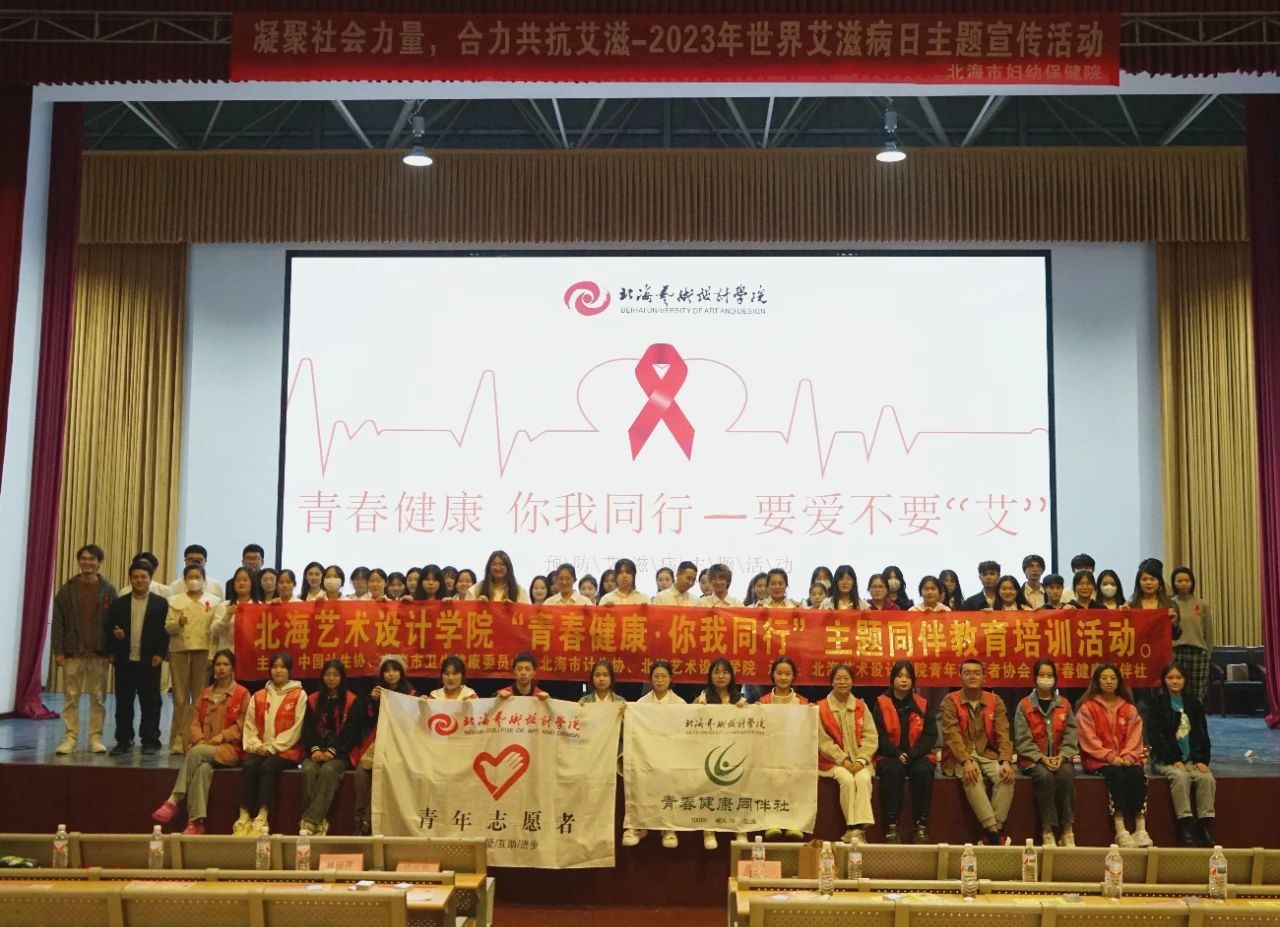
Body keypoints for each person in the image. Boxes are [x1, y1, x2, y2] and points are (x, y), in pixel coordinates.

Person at [152, 649, 249, 834]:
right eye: (218, 664)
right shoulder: (205, 693)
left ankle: (174, 799)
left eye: (226, 664)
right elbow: (194, 722)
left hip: (229, 750)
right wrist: (201, 739)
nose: (221, 668)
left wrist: (222, 736)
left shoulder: (242, 694)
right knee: (202, 769)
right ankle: (196, 822)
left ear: (233, 668)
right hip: (205, 748)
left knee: (196, 752)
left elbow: (243, 725)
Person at [939, 659, 1015, 845]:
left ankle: (992, 833)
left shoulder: (995, 701)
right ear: (960, 677)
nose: (972, 676)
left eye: (976, 673)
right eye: (967, 673)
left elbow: (1003, 733)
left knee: (1005, 776)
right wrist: (966, 761)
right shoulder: (950, 701)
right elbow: (952, 735)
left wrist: (1006, 760)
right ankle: (994, 832)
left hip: (987, 753)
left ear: (984, 677)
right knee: (972, 775)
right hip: (959, 756)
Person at [51, 543, 118, 755]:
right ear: (79, 561)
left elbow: (115, 621)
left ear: (100, 562)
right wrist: (58, 650)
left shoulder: (108, 589)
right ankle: (70, 737)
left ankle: (95, 737)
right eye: (84, 559)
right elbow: (58, 621)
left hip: (99, 653)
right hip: (73, 652)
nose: (87, 563)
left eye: (92, 559)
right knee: (71, 697)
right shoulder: (67, 589)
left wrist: (113, 650)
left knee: (98, 698)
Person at [1076, 662, 1150, 847]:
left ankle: (1140, 828)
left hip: (1126, 759)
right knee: (1116, 776)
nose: (1109, 681)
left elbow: (1135, 737)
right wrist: (1110, 757)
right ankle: (1121, 829)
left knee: (1136, 773)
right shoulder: (1087, 708)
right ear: (1097, 681)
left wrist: (1128, 756)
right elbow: (1088, 739)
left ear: (1119, 682)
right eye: (1104, 678)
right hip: (1098, 760)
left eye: (1113, 678)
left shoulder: (1129, 708)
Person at [104, 557, 169, 756]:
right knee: (123, 702)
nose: (139, 580)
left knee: (151, 702)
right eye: (135, 577)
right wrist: (114, 643)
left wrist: (160, 653)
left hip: (150, 660)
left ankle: (150, 740)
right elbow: (108, 628)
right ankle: (124, 740)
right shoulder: (119, 603)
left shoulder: (160, 603)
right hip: (124, 660)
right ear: (130, 579)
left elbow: (164, 632)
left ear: (150, 579)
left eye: (143, 577)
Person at [235, 652, 305, 835]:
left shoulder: (299, 695)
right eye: (275, 667)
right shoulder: (259, 695)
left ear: (290, 671)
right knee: (249, 765)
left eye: (282, 667)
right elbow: (250, 726)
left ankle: (262, 815)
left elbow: (296, 728)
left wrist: (273, 747)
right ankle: (244, 814)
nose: (278, 671)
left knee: (268, 768)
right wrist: (256, 745)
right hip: (261, 748)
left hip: (287, 751)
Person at [1148, 662, 1216, 846]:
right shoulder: (1157, 704)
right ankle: (1185, 825)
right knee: (1181, 777)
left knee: (1206, 778)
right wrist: (1173, 759)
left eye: (1179, 677)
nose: (1175, 681)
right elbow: (1156, 736)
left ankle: (1205, 824)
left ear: (1185, 680)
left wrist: (1201, 759)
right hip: (1165, 759)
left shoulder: (1194, 704)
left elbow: (1202, 734)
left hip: (1191, 759)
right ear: (1164, 680)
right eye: (1170, 677)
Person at [1013, 658, 1079, 847]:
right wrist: (1041, 758)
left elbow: (1071, 735)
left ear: (1055, 678)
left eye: (1050, 675)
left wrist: (1063, 756)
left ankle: (1067, 830)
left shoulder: (1064, 704)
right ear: (1035, 678)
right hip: (1033, 760)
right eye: (1042, 675)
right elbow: (1022, 739)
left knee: (1066, 775)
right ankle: (1047, 830)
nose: (1046, 679)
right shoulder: (1024, 705)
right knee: (1046, 777)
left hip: (1060, 758)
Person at [871, 660, 936, 843]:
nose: (904, 680)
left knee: (923, 771)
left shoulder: (922, 704)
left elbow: (930, 734)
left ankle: (920, 826)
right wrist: (895, 753)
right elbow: (877, 733)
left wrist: (913, 754)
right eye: (899, 676)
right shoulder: (881, 703)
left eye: (908, 676)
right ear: (892, 679)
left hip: (917, 755)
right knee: (892, 771)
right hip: (889, 754)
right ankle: (892, 826)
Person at [352, 655, 416, 835]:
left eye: (395, 670)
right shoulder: (377, 693)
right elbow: (367, 722)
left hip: (398, 743)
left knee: (381, 772)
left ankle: (368, 821)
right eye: (387, 671)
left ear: (401, 672)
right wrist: (372, 702)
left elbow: (409, 723)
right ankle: (360, 819)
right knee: (361, 773)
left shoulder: (410, 694)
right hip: (377, 740)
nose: (391, 674)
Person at [299, 659, 361, 837]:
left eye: (335, 675)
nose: (331, 678)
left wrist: (332, 751)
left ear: (342, 677)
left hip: (340, 753)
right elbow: (308, 729)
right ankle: (319, 822)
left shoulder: (352, 700)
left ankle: (310, 821)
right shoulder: (313, 700)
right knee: (309, 770)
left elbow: (351, 732)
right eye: (327, 675)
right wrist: (315, 749)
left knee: (328, 770)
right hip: (316, 751)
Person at [818, 663, 878, 845]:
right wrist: (843, 760)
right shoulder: (821, 708)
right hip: (831, 762)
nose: (842, 682)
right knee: (847, 780)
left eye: (846, 678)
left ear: (852, 681)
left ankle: (857, 829)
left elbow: (871, 737)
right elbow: (823, 742)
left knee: (863, 779)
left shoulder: (861, 706)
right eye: (838, 678)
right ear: (831, 682)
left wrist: (861, 760)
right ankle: (853, 827)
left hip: (859, 761)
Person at [695, 658, 747, 849]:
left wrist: (746, 711)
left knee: (738, 790)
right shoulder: (702, 699)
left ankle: (740, 829)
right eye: (716, 672)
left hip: (734, 752)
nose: (721, 676)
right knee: (709, 791)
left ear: (731, 675)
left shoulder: (740, 699)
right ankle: (708, 830)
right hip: (708, 753)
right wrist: (697, 710)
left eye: (725, 672)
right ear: (710, 675)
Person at [165, 563, 217, 754]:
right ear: (185, 580)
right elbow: (168, 628)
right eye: (190, 577)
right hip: (179, 651)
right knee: (179, 698)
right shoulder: (175, 601)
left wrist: (212, 655)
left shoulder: (213, 601)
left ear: (204, 579)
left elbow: (214, 633)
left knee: (199, 698)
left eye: (197, 577)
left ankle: (195, 739)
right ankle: (178, 739)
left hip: (202, 652)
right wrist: (177, 623)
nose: (194, 580)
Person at [636, 660, 684, 849]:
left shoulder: (680, 704)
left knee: (670, 781)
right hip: (647, 755)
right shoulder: (641, 704)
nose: (660, 680)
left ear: (671, 679)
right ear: (650, 679)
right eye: (656, 676)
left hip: (672, 758)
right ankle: (641, 824)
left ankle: (668, 827)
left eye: (664, 676)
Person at [1170, 566, 1214, 701]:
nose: (1183, 584)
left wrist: (1208, 653)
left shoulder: (1202, 604)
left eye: (1187, 580)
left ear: (1192, 582)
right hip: (1176, 652)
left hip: (1198, 652)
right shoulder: (1169, 604)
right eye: (1179, 581)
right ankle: (1177, 714)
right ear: (1174, 583)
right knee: (1176, 690)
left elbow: (1208, 631)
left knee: (1197, 692)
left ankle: (1196, 714)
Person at [211, 567, 260, 655]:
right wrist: (227, 616)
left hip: (252, 655)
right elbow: (215, 632)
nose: (241, 583)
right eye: (238, 580)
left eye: (245, 580)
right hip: (228, 655)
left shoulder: (259, 606)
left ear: (252, 583)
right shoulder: (224, 606)